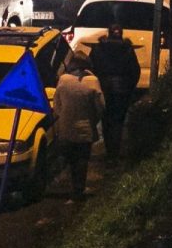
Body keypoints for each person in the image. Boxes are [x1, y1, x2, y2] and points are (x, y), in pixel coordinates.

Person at [52, 57, 105, 202]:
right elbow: (100, 106)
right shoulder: (92, 81)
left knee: (69, 158)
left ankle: (69, 187)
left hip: (66, 127)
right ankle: (78, 190)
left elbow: (56, 105)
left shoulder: (63, 80)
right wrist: (93, 120)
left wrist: (63, 116)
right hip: (85, 127)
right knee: (82, 160)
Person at [86, 23, 141, 159]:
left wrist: (97, 84)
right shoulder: (127, 49)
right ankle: (114, 153)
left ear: (108, 33)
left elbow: (91, 68)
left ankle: (110, 150)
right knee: (118, 121)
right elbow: (135, 71)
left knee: (106, 121)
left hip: (105, 90)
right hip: (122, 91)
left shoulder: (98, 49)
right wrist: (129, 87)